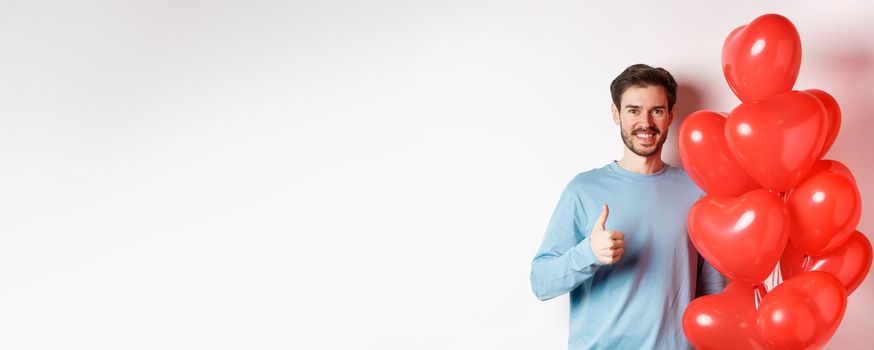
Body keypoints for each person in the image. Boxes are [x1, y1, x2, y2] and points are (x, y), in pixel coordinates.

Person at [530, 64, 725, 349]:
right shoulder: (583, 190)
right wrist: (589, 253)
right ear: (615, 113)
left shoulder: (697, 191)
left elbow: (712, 292)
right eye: (633, 110)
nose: (645, 122)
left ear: (671, 115)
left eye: (656, 110)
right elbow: (541, 283)